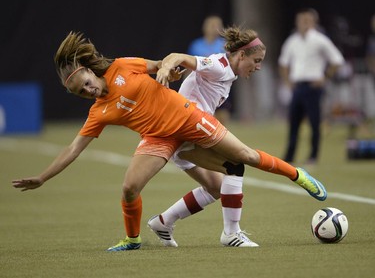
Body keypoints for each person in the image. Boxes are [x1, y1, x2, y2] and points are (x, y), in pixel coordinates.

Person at [12, 31, 326, 252]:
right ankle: (134, 239)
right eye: (81, 92)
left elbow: (161, 63)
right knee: (129, 187)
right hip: (159, 138)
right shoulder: (99, 112)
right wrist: (42, 177)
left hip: (188, 119)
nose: (88, 91)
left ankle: (297, 175)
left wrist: (165, 69)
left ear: (90, 72)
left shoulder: (122, 66)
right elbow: (73, 149)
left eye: (86, 84)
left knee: (242, 159)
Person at [147, 26, 325, 248]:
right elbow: (178, 57)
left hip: (183, 136)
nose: (258, 66)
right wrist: (165, 68)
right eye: (257, 60)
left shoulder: (227, 73)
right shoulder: (219, 66)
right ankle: (235, 230)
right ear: (242, 55)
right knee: (236, 164)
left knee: (215, 188)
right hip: (186, 129)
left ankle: (163, 222)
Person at [278, 8, 344, 164]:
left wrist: (325, 77)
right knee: (293, 123)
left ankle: (313, 155)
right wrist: (287, 82)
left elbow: (337, 60)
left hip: (313, 87)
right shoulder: (292, 41)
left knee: (314, 123)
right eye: (301, 20)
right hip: (297, 86)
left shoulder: (320, 40)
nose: (303, 23)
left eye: (307, 20)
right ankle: (289, 156)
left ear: (313, 22)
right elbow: (283, 63)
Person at [188, 15, 231, 125]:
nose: (215, 28)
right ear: (205, 27)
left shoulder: (224, 45)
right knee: (207, 119)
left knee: (223, 117)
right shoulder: (197, 45)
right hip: (202, 87)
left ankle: (222, 139)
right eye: (212, 25)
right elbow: (189, 65)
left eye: (218, 25)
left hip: (218, 86)